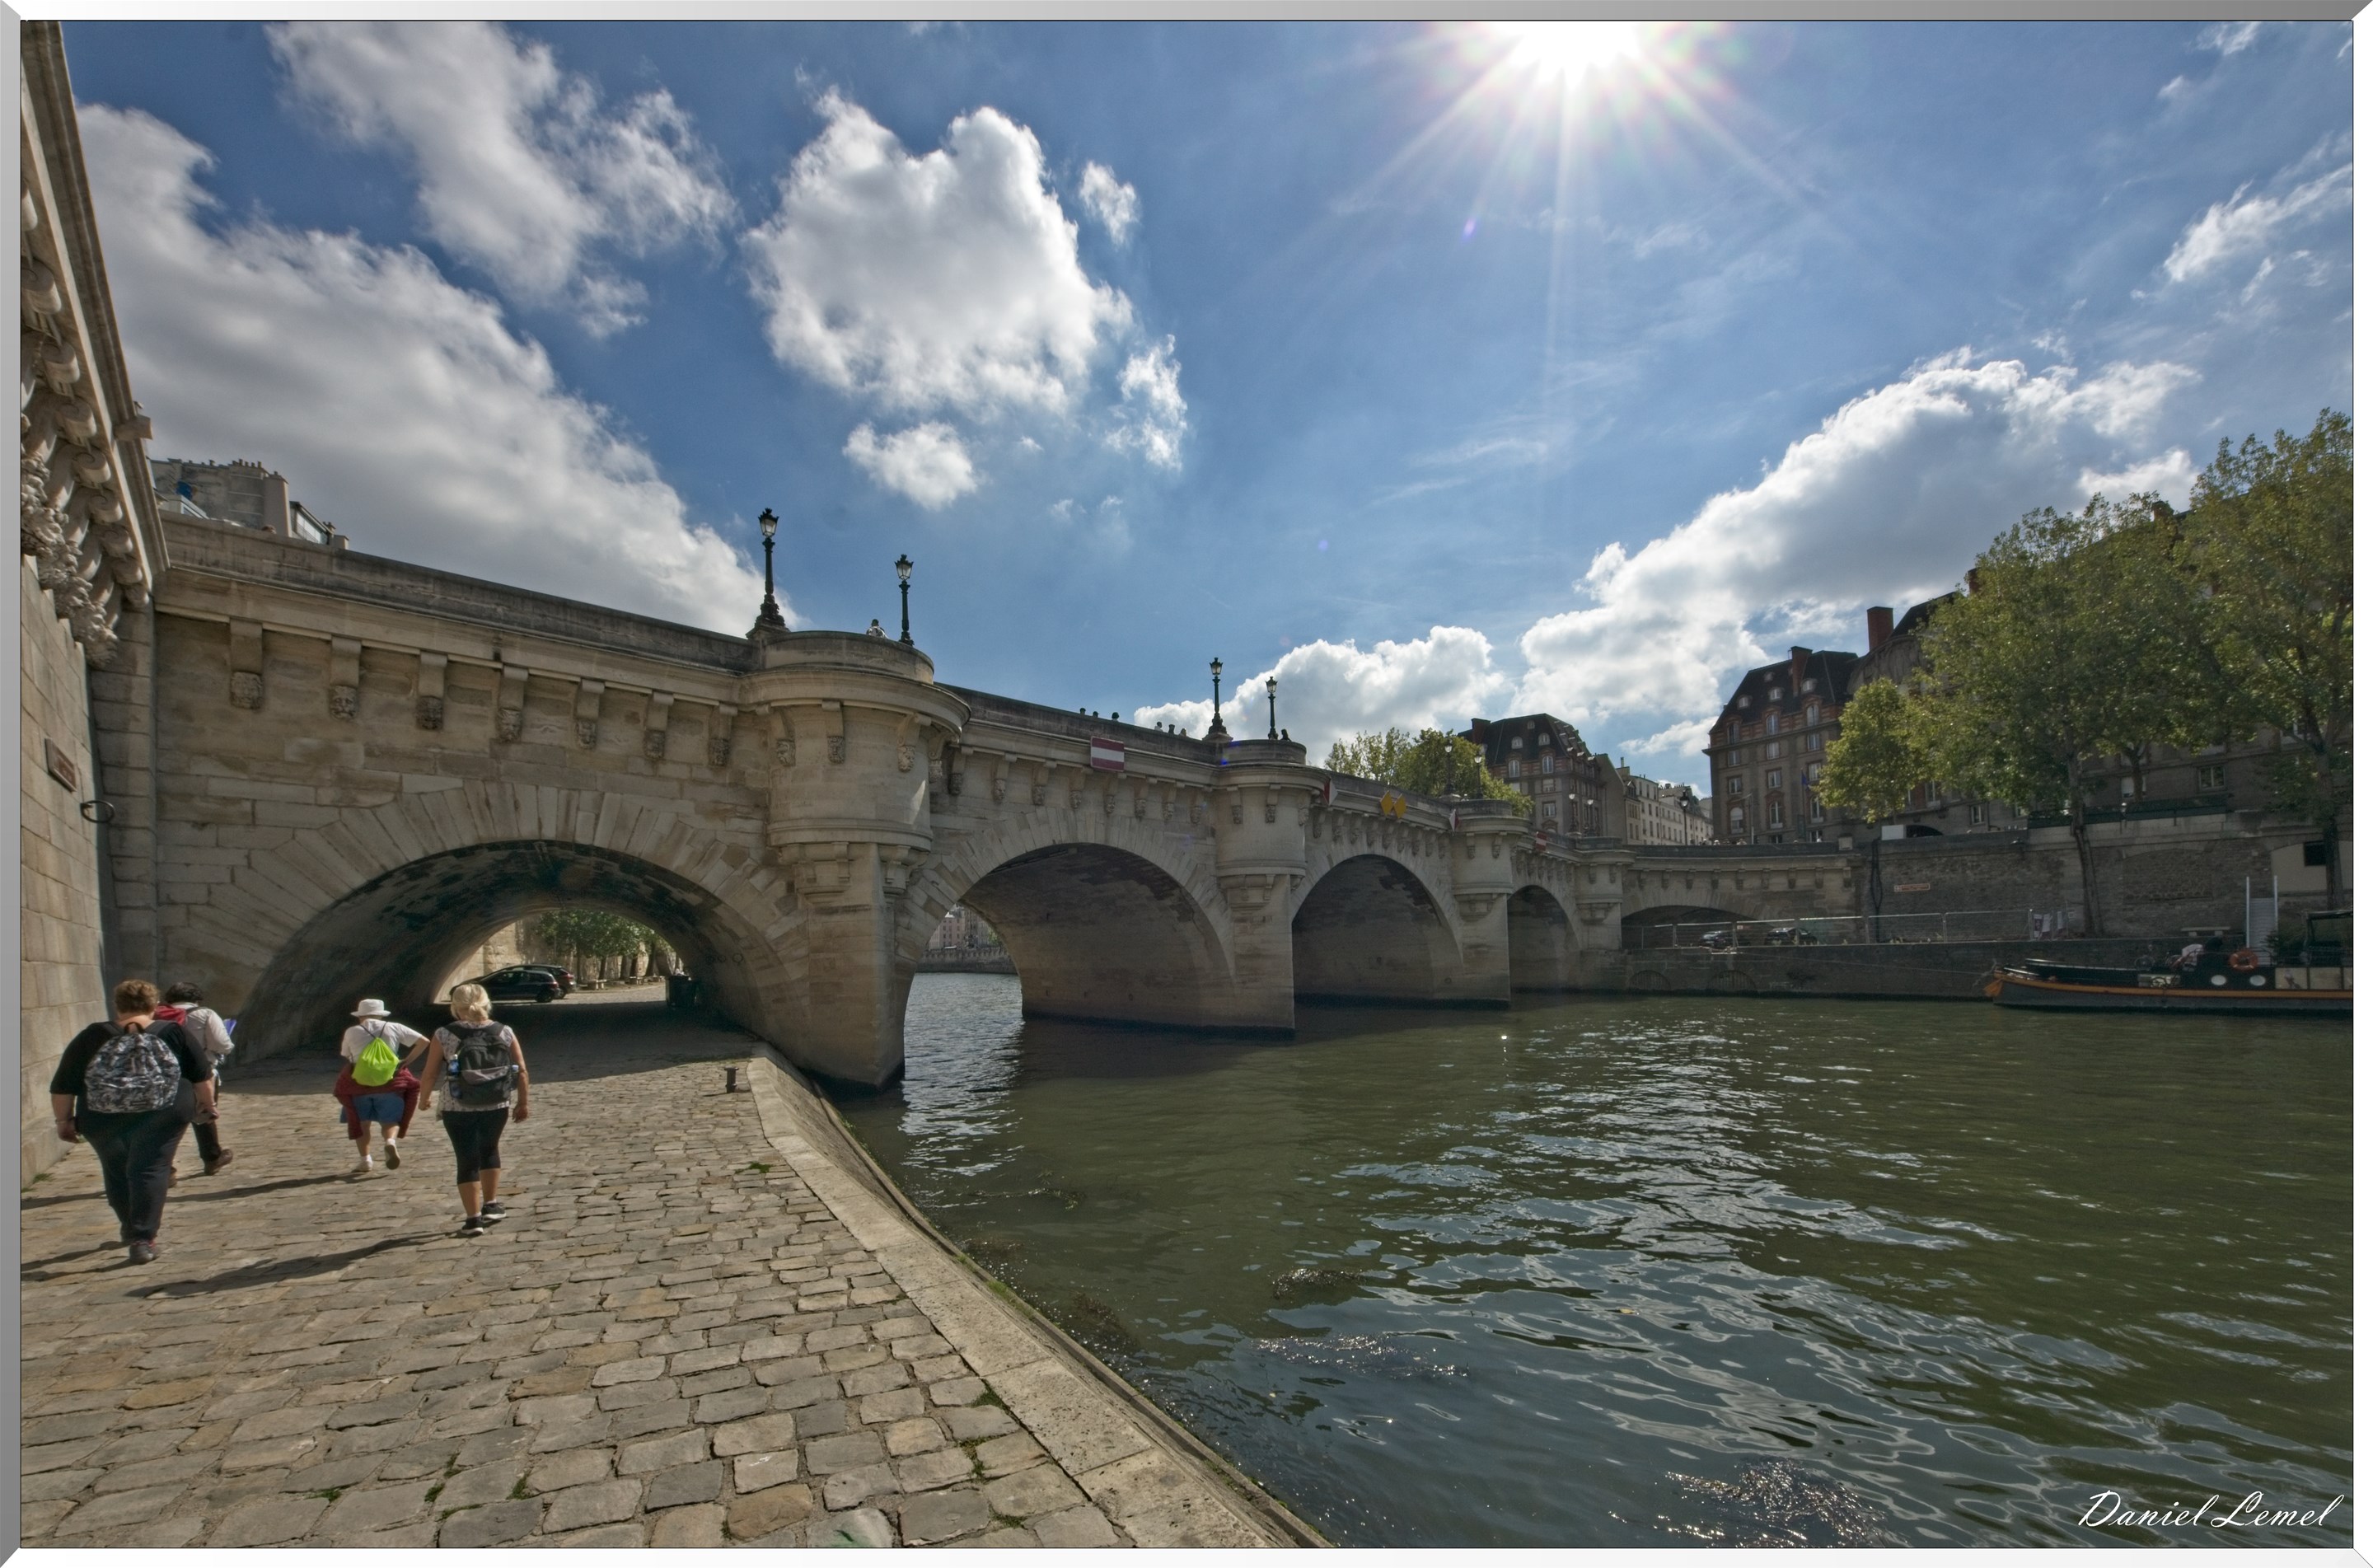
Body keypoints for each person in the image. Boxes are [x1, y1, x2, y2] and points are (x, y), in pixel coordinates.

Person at [49, 978, 215, 1264]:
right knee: (151, 1168)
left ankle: (129, 1224)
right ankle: (142, 1238)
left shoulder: (93, 1036)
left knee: (116, 1168)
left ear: (118, 1006)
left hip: (102, 1116)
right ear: (154, 1006)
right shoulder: (173, 1032)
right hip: (163, 1112)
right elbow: (202, 1075)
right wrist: (207, 1105)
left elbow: (63, 1085)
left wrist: (63, 1121)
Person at [418, 982, 530, 1236]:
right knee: (489, 1149)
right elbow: (521, 1070)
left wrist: (424, 1099)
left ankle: (473, 1219)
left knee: (466, 1157)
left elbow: (430, 1073)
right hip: (496, 1101)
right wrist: (522, 1102)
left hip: (456, 1103)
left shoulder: (444, 1034)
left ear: (455, 1006)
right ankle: (491, 1204)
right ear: (486, 1003)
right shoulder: (503, 1031)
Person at [335, 999, 430, 1173]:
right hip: (390, 1082)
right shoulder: (394, 1027)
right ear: (380, 1014)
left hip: (360, 1084)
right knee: (390, 1120)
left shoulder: (352, 1031)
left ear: (360, 1016)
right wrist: (406, 1061)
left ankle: (365, 1160)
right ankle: (390, 1142)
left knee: (362, 1123)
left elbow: (346, 1054)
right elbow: (424, 1041)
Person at [154, 982, 235, 1177]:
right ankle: (212, 1157)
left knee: (168, 1122)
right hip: (201, 1072)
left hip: (165, 1074)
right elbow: (222, 1044)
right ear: (196, 998)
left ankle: (166, 1168)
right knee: (205, 1114)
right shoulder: (205, 1014)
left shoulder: (157, 1016)